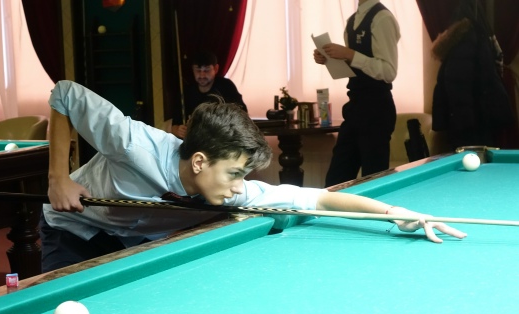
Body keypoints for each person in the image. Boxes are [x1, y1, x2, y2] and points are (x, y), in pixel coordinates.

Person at [42, 80, 466, 272]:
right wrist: (58, 178)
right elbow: (65, 94)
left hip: (131, 241)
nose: (238, 186)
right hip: (74, 227)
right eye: (233, 173)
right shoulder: (135, 143)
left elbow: (316, 199)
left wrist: (394, 213)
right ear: (199, 162)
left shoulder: (232, 190)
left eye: (243, 175)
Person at [313, 0, 400, 187]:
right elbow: (357, 66)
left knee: (373, 179)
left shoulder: (382, 18)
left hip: (377, 107)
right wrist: (329, 58)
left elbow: (388, 71)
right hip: (354, 105)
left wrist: (349, 54)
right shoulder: (352, 20)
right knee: (336, 180)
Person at [431, 0, 514, 149]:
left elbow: (457, 85)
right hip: (474, 124)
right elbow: (461, 87)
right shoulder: (472, 39)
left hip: (465, 123)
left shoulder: (457, 43)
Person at [171, 50, 247, 139]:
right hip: (197, 140)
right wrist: (178, 130)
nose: (202, 75)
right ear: (193, 70)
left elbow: (243, 115)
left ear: (216, 69)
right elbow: (174, 127)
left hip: (222, 138)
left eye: (206, 70)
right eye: (198, 70)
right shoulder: (187, 91)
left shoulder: (226, 87)